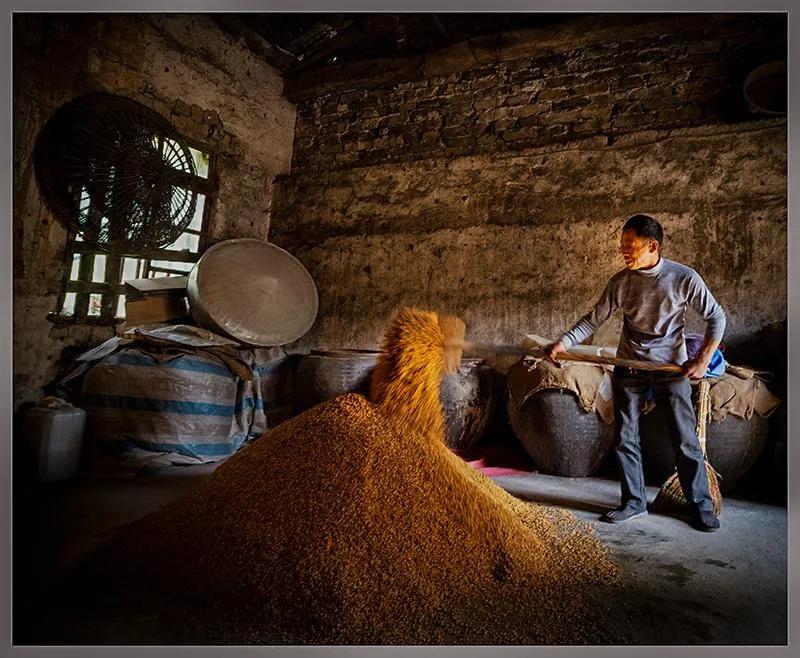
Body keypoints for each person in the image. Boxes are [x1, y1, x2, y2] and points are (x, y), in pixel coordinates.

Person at [545, 214, 725, 532]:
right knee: (625, 437)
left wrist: (701, 359)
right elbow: (593, 320)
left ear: (652, 245)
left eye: (630, 245)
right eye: (622, 245)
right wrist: (563, 342)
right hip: (630, 366)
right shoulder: (621, 282)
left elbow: (716, 317)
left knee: (684, 439)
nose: (623, 251)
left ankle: (700, 504)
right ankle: (633, 501)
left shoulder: (684, 278)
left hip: (671, 370)